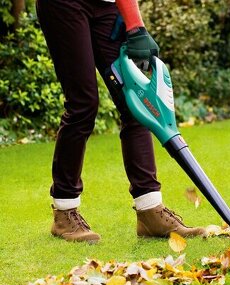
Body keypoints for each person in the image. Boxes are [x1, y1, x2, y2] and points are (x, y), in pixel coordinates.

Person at [36, 0, 206, 243]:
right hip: (64, 5)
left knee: (137, 104)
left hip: (106, 6)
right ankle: (64, 213)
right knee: (82, 104)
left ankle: (150, 210)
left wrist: (136, 28)